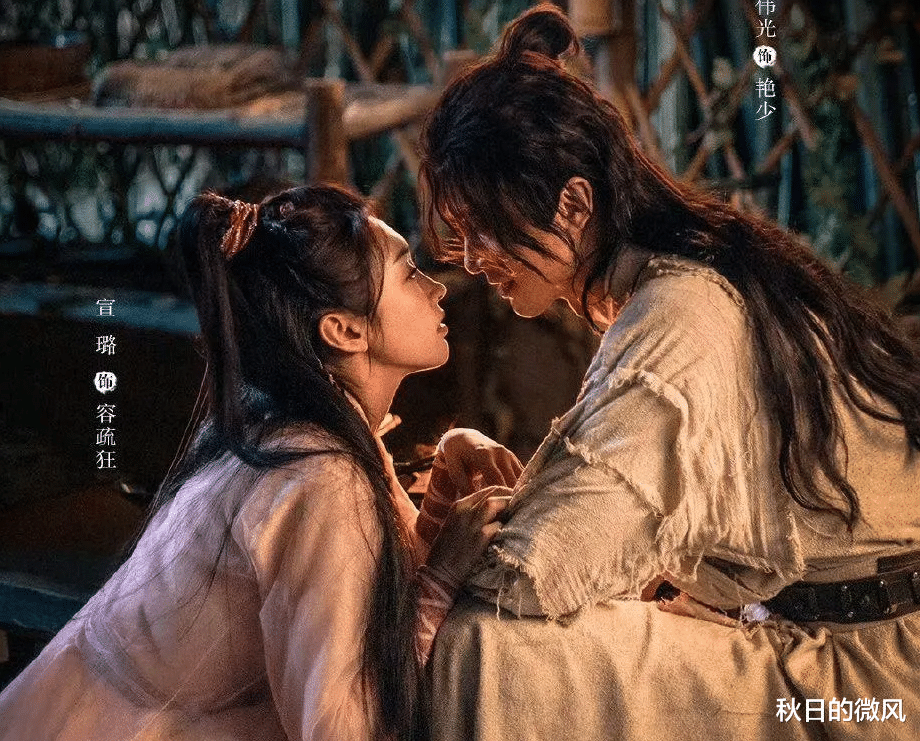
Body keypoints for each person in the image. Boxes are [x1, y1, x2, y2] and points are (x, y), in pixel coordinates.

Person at [418, 6, 920, 741]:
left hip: (864, 679)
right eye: (459, 235)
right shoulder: (673, 279)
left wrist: (438, 565)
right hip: (828, 630)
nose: (469, 260)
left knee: (486, 646)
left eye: (483, 229)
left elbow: (534, 570)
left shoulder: (680, 314)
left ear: (573, 205)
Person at [0, 184, 520, 741]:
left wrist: (445, 481)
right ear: (344, 330)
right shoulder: (319, 477)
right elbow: (342, 730)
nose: (438, 288)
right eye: (409, 272)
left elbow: (378, 582)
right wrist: (442, 578)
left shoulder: (298, 428)